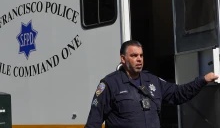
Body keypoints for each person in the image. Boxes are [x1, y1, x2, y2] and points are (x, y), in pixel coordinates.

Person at [84, 40, 218, 128]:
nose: (139, 59)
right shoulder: (109, 84)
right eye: (134, 56)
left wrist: (203, 80)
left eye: (141, 56)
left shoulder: (152, 81)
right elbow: (93, 123)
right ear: (123, 59)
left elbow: (178, 94)